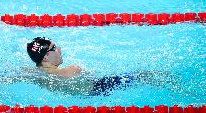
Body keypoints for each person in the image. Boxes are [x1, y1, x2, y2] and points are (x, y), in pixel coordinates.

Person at [26, 37, 182, 96]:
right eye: (54, 47)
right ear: (46, 56)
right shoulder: (73, 69)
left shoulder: (33, 75)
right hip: (100, 88)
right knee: (145, 75)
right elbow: (92, 76)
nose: (59, 49)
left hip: (82, 97)